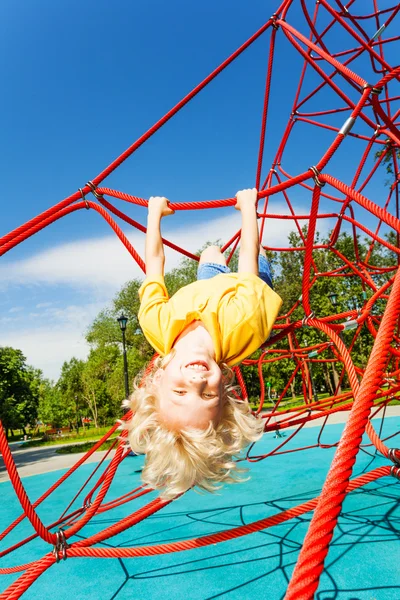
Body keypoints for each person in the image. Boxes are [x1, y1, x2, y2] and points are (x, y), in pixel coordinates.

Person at [124, 188, 282, 499]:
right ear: (225, 390)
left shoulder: (157, 325)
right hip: (249, 287)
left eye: (181, 391)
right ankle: (260, 256)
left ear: (157, 380)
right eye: (207, 394)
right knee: (256, 252)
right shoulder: (243, 325)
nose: (196, 380)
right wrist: (249, 208)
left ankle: (214, 259)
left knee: (210, 251)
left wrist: (153, 215)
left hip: (207, 286)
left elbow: (154, 264)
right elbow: (246, 259)